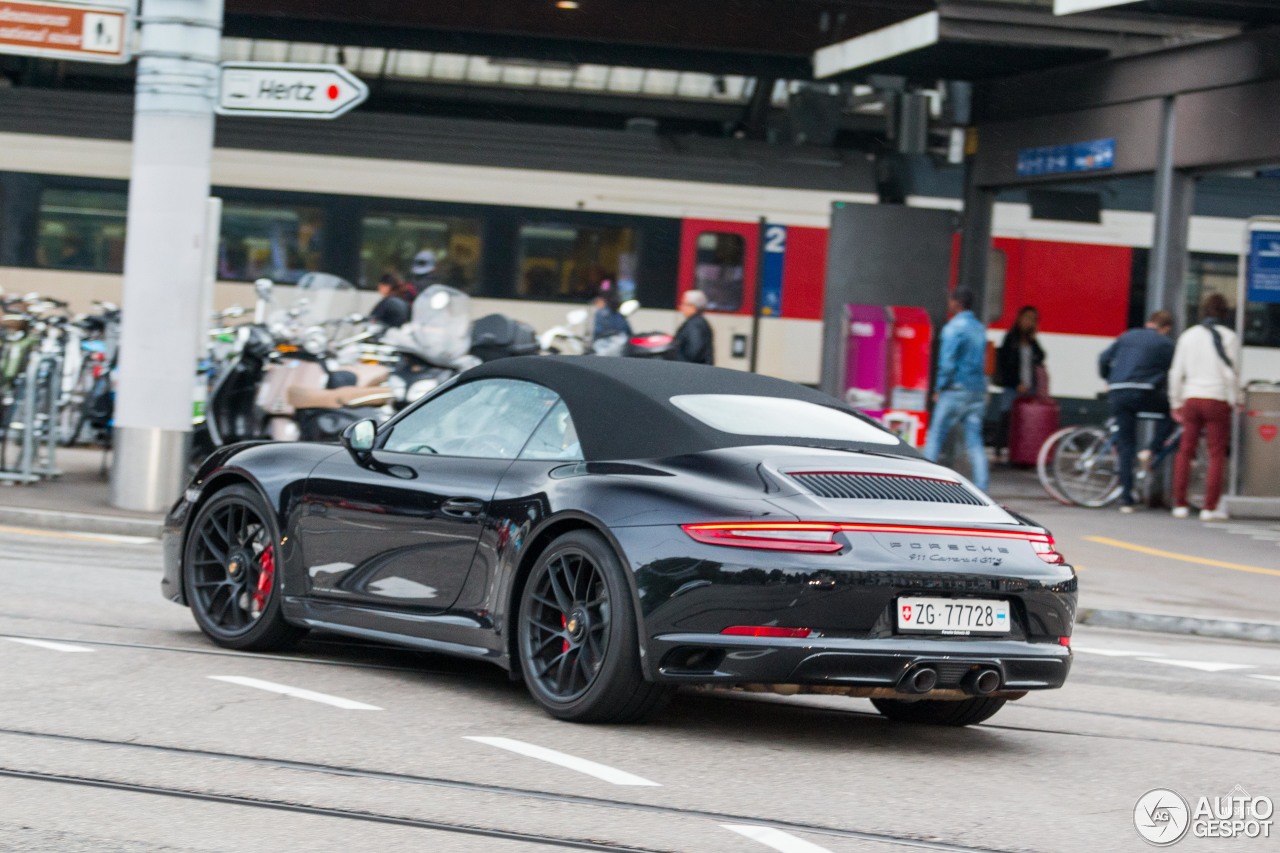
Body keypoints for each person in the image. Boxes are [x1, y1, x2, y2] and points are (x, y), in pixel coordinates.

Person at [1097, 310, 1176, 513]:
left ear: (1149, 322)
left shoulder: (1127, 335)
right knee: (1171, 414)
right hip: (1145, 393)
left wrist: (1108, 379)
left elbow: (1103, 358)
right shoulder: (1165, 343)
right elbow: (1173, 371)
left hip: (1118, 392)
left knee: (1126, 444)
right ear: (1166, 328)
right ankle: (1151, 450)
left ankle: (1126, 500)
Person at [1169, 293, 1239, 521]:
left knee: (1185, 451)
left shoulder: (1188, 336)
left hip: (1191, 398)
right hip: (1217, 398)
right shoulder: (1229, 336)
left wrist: (1175, 401)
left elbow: (1176, 372)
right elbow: (1232, 373)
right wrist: (1236, 397)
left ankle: (1180, 504)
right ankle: (1209, 508)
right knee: (1216, 453)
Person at [923, 288, 989, 492]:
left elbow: (947, 362)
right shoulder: (979, 327)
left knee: (935, 436)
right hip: (976, 391)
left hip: (954, 390)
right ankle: (982, 486)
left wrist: (939, 387)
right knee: (975, 441)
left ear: (956, 303)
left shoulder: (953, 328)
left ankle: (922, 482)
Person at [994, 305, 1046, 457]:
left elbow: (1041, 356)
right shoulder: (1010, 339)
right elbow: (1006, 364)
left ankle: (1020, 451)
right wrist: (1016, 383)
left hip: (1029, 386)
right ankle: (1000, 449)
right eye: (1027, 318)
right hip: (1012, 386)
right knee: (1006, 417)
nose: (1029, 322)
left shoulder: (1031, 341)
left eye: (1033, 320)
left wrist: (1033, 337)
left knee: (1025, 421)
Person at [672, 289, 714, 364]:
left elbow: (694, 352)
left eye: (684, 304)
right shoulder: (699, 322)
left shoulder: (695, 325)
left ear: (693, 307)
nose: (681, 307)